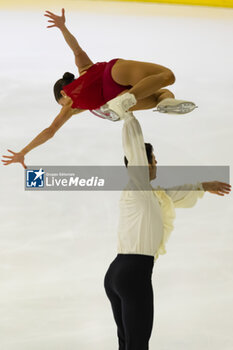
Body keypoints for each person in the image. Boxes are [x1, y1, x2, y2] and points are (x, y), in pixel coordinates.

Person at [1, 8, 197, 169]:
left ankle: (160, 102)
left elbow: (50, 131)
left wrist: (23, 152)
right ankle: (141, 98)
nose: (68, 108)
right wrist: (62, 27)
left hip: (113, 100)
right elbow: (76, 48)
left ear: (63, 92)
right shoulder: (84, 69)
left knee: (159, 95)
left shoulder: (73, 103)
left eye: (62, 103)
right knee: (167, 77)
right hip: (113, 74)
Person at [103, 111, 231, 350]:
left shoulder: (149, 195)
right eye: (153, 159)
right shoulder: (137, 186)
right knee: (138, 344)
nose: (156, 163)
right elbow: (134, 150)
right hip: (133, 274)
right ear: (143, 161)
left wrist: (203, 186)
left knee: (128, 344)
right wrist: (128, 115)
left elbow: (172, 194)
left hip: (118, 272)